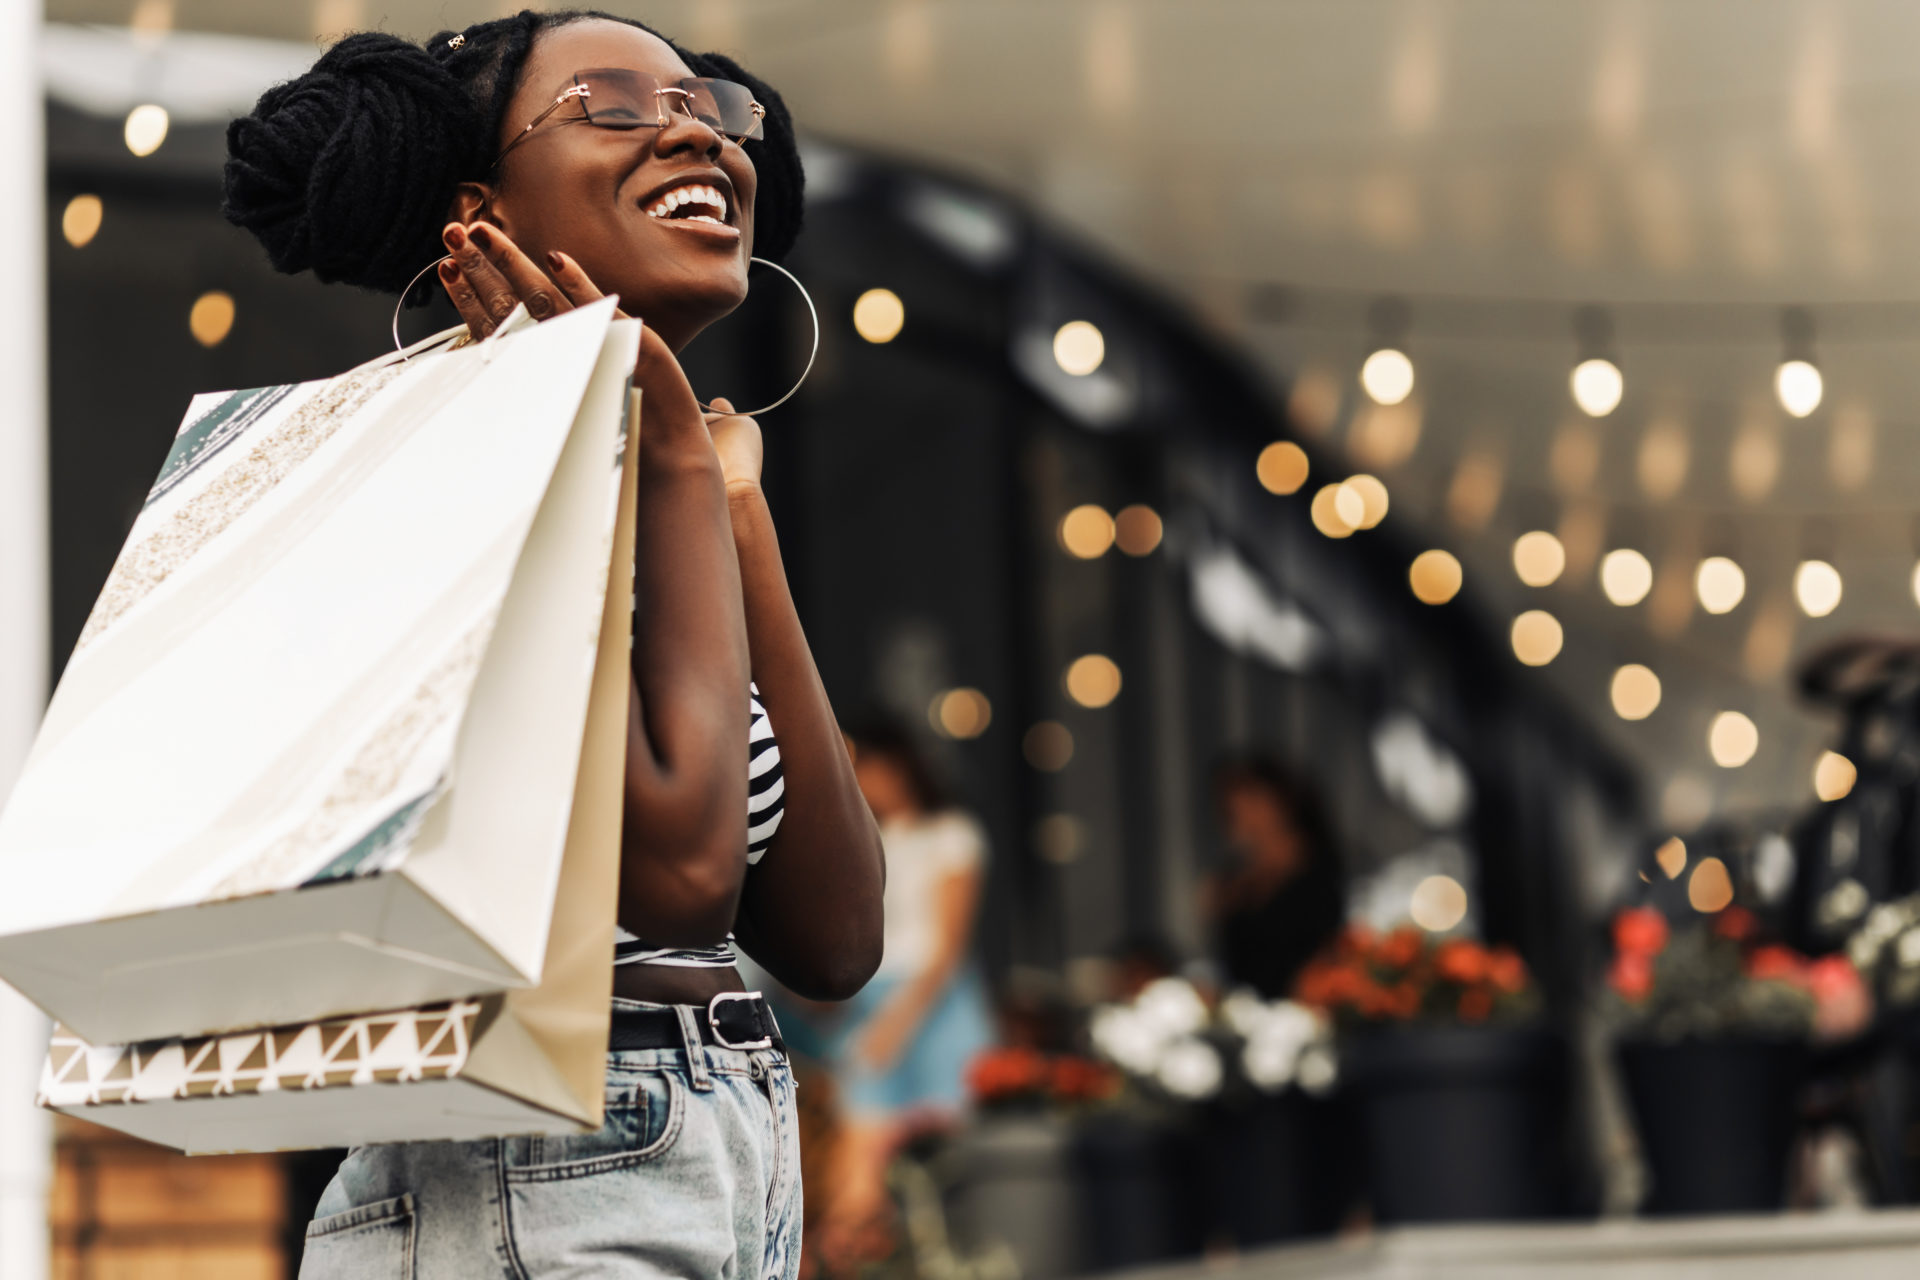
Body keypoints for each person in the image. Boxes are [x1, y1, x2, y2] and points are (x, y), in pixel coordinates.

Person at [222, 12, 886, 1277]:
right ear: (481, 212)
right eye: (617, 104)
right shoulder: (446, 480)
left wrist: (730, 506)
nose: (692, 127)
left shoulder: (671, 488)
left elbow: (835, 934)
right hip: (526, 1185)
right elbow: (676, 876)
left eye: (706, 106)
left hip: (713, 1167)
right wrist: (682, 453)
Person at [812, 723, 994, 1258]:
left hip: (932, 1004)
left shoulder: (950, 834)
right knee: (860, 1145)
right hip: (872, 1001)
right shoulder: (861, 838)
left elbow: (947, 950)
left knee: (944, 1155)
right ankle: (853, 1258)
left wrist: (895, 1024)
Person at [1203, 756, 1344, 1000]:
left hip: (1307, 1007)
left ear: (1281, 801)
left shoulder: (1316, 865)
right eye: (1231, 807)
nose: (1243, 814)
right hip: (1248, 1009)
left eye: (1252, 802)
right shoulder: (1233, 878)